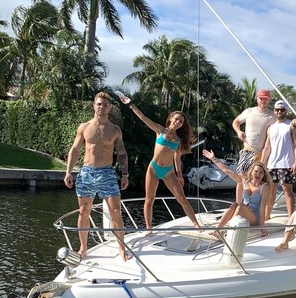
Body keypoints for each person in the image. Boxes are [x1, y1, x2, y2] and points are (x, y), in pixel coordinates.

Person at [64, 92, 130, 260]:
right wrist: (68, 172)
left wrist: (125, 175)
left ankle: (122, 249)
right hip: (87, 173)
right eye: (99, 104)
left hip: (107, 173)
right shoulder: (84, 127)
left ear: (110, 108)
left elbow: (121, 153)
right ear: (94, 106)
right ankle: (83, 248)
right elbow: (75, 149)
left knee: (116, 211)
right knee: (84, 211)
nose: (102, 107)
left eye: (105, 105)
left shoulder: (115, 130)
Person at [118, 95, 200, 230]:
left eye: (181, 121)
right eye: (177, 119)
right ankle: (149, 228)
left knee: (182, 199)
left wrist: (179, 175)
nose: (179, 122)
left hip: (169, 171)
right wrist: (131, 105)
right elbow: (144, 118)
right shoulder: (160, 130)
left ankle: (196, 224)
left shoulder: (178, 140)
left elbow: (177, 159)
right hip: (154, 169)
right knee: (149, 200)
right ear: (171, 119)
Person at [202, 149, 270, 234]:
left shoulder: (265, 187)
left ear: (263, 175)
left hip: (255, 218)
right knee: (235, 204)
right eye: (256, 171)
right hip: (244, 211)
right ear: (251, 172)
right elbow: (227, 170)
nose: (258, 174)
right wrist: (213, 158)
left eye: (261, 173)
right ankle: (217, 229)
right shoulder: (245, 181)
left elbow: (263, 207)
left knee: (240, 206)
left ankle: (228, 231)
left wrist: (262, 227)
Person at [261, 100, 296, 218]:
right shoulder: (270, 128)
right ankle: (267, 215)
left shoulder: (292, 126)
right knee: (271, 190)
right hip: (272, 164)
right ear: (274, 111)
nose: (279, 112)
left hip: (286, 163)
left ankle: (291, 217)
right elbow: (267, 147)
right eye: (277, 110)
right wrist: (262, 164)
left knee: (287, 190)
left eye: (282, 110)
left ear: (286, 111)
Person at [232, 88, 276, 176]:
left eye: (266, 99)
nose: (263, 101)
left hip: (262, 154)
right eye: (261, 98)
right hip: (248, 150)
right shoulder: (249, 111)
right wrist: (239, 131)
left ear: (269, 100)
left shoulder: (273, 116)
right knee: (241, 177)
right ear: (257, 99)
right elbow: (236, 122)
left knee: (258, 181)